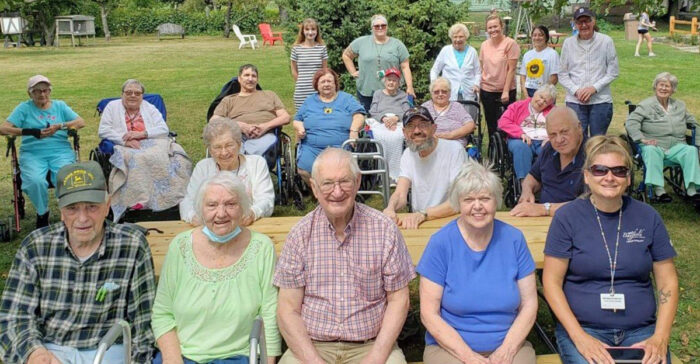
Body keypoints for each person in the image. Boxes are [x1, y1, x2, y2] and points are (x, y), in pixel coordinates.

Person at [0, 160, 156, 364]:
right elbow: (13, 317)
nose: (83, 218)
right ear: (61, 211)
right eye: (73, 208)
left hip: (108, 350)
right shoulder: (35, 246)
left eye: (92, 207)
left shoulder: (132, 246)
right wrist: (35, 354)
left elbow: (143, 325)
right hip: (50, 349)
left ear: (107, 205)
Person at [543, 135, 678, 364]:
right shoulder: (567, 218)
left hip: (641, 330)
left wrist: (660, 337)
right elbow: (551, 283)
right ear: (586, 176)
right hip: (585, 328)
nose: (609, 177)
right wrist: (580, 337)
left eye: (619, 171)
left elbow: (668, 282)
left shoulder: (648, 217)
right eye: (600, 170)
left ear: (627, 178)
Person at [274, 148, 416, 364]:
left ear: (358, 182)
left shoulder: (384, 229)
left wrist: (376, 357)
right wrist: (313, 360)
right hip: (312, 346)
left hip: (371, 345)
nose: (337, 192)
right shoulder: (300, 235)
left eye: (344, 181)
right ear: (314, 187)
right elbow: (287, 309)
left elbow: (399, 300)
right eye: (328, 183)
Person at [418, 159, 537, 364]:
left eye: (485, 198)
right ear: (458, 203)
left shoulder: (514, 239)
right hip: (450, 349)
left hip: (509, 346)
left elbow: (530, 304)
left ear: (496, 201)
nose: (478, 206)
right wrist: (468, 357)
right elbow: (429, 314)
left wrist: (507, 350)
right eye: (469, 199)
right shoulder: (440, 243)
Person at [152, 173, 280, 364]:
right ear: (200, 210)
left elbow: (270, 315)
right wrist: (172, 358)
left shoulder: (262, 248)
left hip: (239, 357)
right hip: (182, 355)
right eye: (212, 205)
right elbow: (162, 312)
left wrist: (268, 361)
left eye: (231, 204)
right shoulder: (180, 246)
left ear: (243, 208)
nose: (221, 213)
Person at [98, 79, 192, 221]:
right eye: (129, 92)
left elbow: (163, 129)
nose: (133, 96)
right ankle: (140, 200)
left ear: (142, 95)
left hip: (152, 141)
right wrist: (125, 140)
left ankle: (174, 196)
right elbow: (103, 130)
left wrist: (143, 134)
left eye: (137, 93)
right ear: (122, 94)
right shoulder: (112, 107)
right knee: (139, 159)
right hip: (124, 144)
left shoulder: (149, 107)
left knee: (177, 156)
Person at [0, 75, 85, 228]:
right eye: (37, 91)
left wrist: (59, 126)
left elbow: (80, 122)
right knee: (35, 181)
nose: (42, 94)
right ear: (30, 94)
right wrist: (30, 131)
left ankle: (65, 211)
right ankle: (42, 212)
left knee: (64, 176)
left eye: (45, 90)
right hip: (33, 153)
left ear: (50, 91)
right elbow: (3, 128)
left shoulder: (60, 106)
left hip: (60, 151)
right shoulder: (24, 108)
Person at [383, 107, 467, 229]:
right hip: (420, 221)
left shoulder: (454, 150)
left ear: (434, 128)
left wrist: (423, 214)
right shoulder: (408, 154)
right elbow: (401, 193)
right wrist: (390, 208)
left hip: (451, 220)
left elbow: (459, 200)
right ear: (404, 133)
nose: (416, 131)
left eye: (423, 125)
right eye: (410, 126)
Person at [180, 118, 274, 225]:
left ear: (239, 144)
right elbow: (187, 202)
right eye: (217, 147)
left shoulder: (256, 164)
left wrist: (253, 213)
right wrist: (193, 217)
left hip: (246, 225)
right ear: (210, 150)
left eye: (229, 145)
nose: (224, 152)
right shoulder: (203, 167)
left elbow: (266, 200)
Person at [625, 72, 700, 204]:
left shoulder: (680, 105)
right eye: (661, 85)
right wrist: (641, 139)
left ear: (673, 90)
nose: (664, 88)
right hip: (654, 144)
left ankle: (692, 191)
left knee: (691, 151)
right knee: (651, 150)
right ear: (655, 86)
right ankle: (659, 191)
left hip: (677, 145)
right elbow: (631, 123)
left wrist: (698, 143)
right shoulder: (646, 105)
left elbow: (694, 124)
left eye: (668, 86)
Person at [293, 68, 365, 187]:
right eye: (323, 82)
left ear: (335, 83)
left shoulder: (346, 99)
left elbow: (359, 115)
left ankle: (332, 191)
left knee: (339, 171)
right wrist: (300, 128)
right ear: (317, 84)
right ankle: (320, 192)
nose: (326, 84)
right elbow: (297, 119)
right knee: (303, 170)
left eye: (329, 81)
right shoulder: (309, 101)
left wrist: (354, 130)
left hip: (340, 145)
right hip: (313, 147)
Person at [510, 106, 585, 217]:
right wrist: (527, 190)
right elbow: (532, 176)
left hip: (576, 225)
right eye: (553, 135)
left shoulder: (595, 156)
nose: (559, 140)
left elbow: (590, 204)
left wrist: (544, 209)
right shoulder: (549, 149)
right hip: (542, 224)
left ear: (579, 127)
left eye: (564, 132)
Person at [559, 7, 619, 137]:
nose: (584, 25)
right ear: (575, 24)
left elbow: (613, 72)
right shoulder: (568, 43)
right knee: (577, 139)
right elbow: (562, 74)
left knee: (598, 141)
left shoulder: (606, 41)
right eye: (580, 22)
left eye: (587, 21)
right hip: (575, 101)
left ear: (593, 22)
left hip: (600, 101)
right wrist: (576, 90)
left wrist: (593, 88)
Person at [210, 64, 291, 157]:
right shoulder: (229, 100)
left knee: (249, 150)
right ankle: (244, 161)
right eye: (246, 75)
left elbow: (285, 117)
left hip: (264, 135)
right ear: (239, 79)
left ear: (257, 79)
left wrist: (264, 127)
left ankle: (243, 160)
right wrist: (239, 125)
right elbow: (214, 120)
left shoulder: (270, 95)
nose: (250, 79)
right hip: (235, 135)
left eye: (254, 76)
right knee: (228, 145)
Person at [342, 14, 415, 111]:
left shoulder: (397, 44)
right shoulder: (361, 42)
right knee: (369, 121)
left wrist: (410, 87)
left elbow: (405, 66)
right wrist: (352, 72)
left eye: (383, 25)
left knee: (391, 120)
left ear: (387, 27)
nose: (380, 28)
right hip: (367, 92)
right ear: (372, 28)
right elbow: (346, 55)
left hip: (391, 92)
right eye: (377, 26)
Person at [498, 84, 557, 181]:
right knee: (521, 147)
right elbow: (503, 122)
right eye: (541, 97)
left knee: (550, 150)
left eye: (546, 101)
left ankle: (548, 182)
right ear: (535, 94)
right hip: (520, 139)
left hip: (543, 141)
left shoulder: (554, 111)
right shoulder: (518, 106)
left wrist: (551, 137)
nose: (541, 102)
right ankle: (524, 183)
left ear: (549, 104)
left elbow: (561, 127)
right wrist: (520, 133)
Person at [366, 67, 412, 182]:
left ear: (398, 83)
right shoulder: (378, 94)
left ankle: (395, 174)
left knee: (397, 136)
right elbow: (373, 111)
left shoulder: (403, 95)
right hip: (381, 121)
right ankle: (382, 174)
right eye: (389, 80)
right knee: (381, 137)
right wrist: (384, 118)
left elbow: (407, 112)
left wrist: (396, 118)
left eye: (394, 80)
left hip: (398, 121)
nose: (391, 82)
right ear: (385, 81)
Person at [480, 14, 520, 140]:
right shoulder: (484, 45)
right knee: (491, 124)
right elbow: (482, 66)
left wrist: (506, 91)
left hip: (505, 92)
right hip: (487, 91)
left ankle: (507, 152)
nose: (493, 30)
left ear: (501, 26)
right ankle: (493, 151)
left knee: (506, 124)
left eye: (495, 26)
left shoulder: (510, 44)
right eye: (490, 28)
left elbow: (511, 69)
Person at [430, 23, 481, 102]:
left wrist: (476, 84)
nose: (458, 40)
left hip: (468, 93)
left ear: (466, 37)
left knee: (467, 114)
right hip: (449, 94)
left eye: (461, 36)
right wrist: (435, 86)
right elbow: (434, 70)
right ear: (451, 38)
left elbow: (478, 72)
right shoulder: (445, 51)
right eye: (455, 37)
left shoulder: (472, 51)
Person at [422, 77, 475, 148]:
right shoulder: (425, 108)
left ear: (449, 93)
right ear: (431, 94)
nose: (440, 94)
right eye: (436, 92)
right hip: (431, 146)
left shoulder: (457, 107)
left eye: (444, 91)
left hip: (455, 145)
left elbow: (470, 125)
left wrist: (450, 135)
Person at [291, 18, 328, 109]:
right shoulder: (296, 49)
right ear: (303, 31)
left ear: (317, 31)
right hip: (301, 90)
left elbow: (324, 70)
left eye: (313, 29)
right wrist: (300, 83)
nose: (310, 32)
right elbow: (294, 70)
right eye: (307, 29)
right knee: (302, 118)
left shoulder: (322, 48)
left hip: (317, 90)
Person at [519, 25, 559, 98]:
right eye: (534, 35)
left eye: (540, 35)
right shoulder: (527, 55)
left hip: (545, 92)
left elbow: (554, 78)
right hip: (529, 91)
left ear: (546, 37)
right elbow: (523, 76)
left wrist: (542, 94)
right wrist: (525, 94)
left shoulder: (552, 54)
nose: (537, 38)